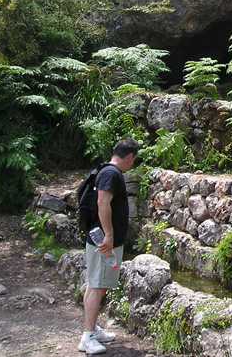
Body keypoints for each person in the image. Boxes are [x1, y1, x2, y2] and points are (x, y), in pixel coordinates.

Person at [79, 137, 139, 355]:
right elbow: (102, 203)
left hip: (100, 239)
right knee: (98, 286)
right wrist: (109, 236)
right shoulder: (112, 174)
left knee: (94, 283)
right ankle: (88, 336)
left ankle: (92, 329)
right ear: (130, 156)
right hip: (104, 242)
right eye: (134, 159)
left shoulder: (106, 171)